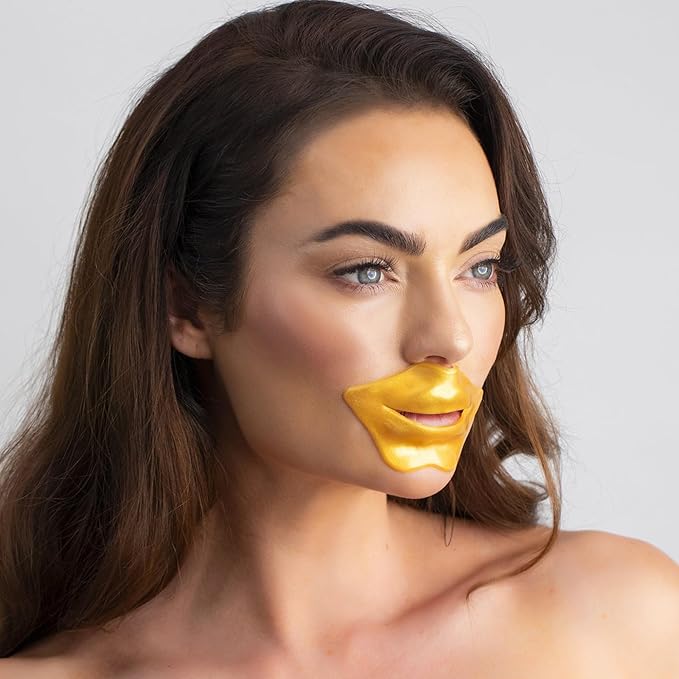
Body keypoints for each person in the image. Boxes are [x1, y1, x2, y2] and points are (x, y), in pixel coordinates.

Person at [1, 0, 678, 676]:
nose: (450, 336)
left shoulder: (620, 622)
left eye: (479, 268)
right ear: (187, 306)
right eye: (366, 271)